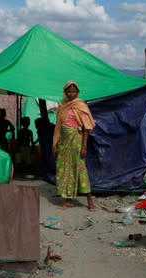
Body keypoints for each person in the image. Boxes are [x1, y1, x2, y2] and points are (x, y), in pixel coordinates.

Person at [52, 80, 96, 211]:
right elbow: (58, 126)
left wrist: (84, 147)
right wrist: (56, 144)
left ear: (78, 92)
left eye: (74, 91)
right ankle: (68, 199)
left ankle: (89, 200)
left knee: (81, 169)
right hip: (63, 143)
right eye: (69, 91)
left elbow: (87, 128)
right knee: (64, 170)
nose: (72, 94)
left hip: (77, 141)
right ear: (65, 92)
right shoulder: (62, 105)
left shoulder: (80, 105)